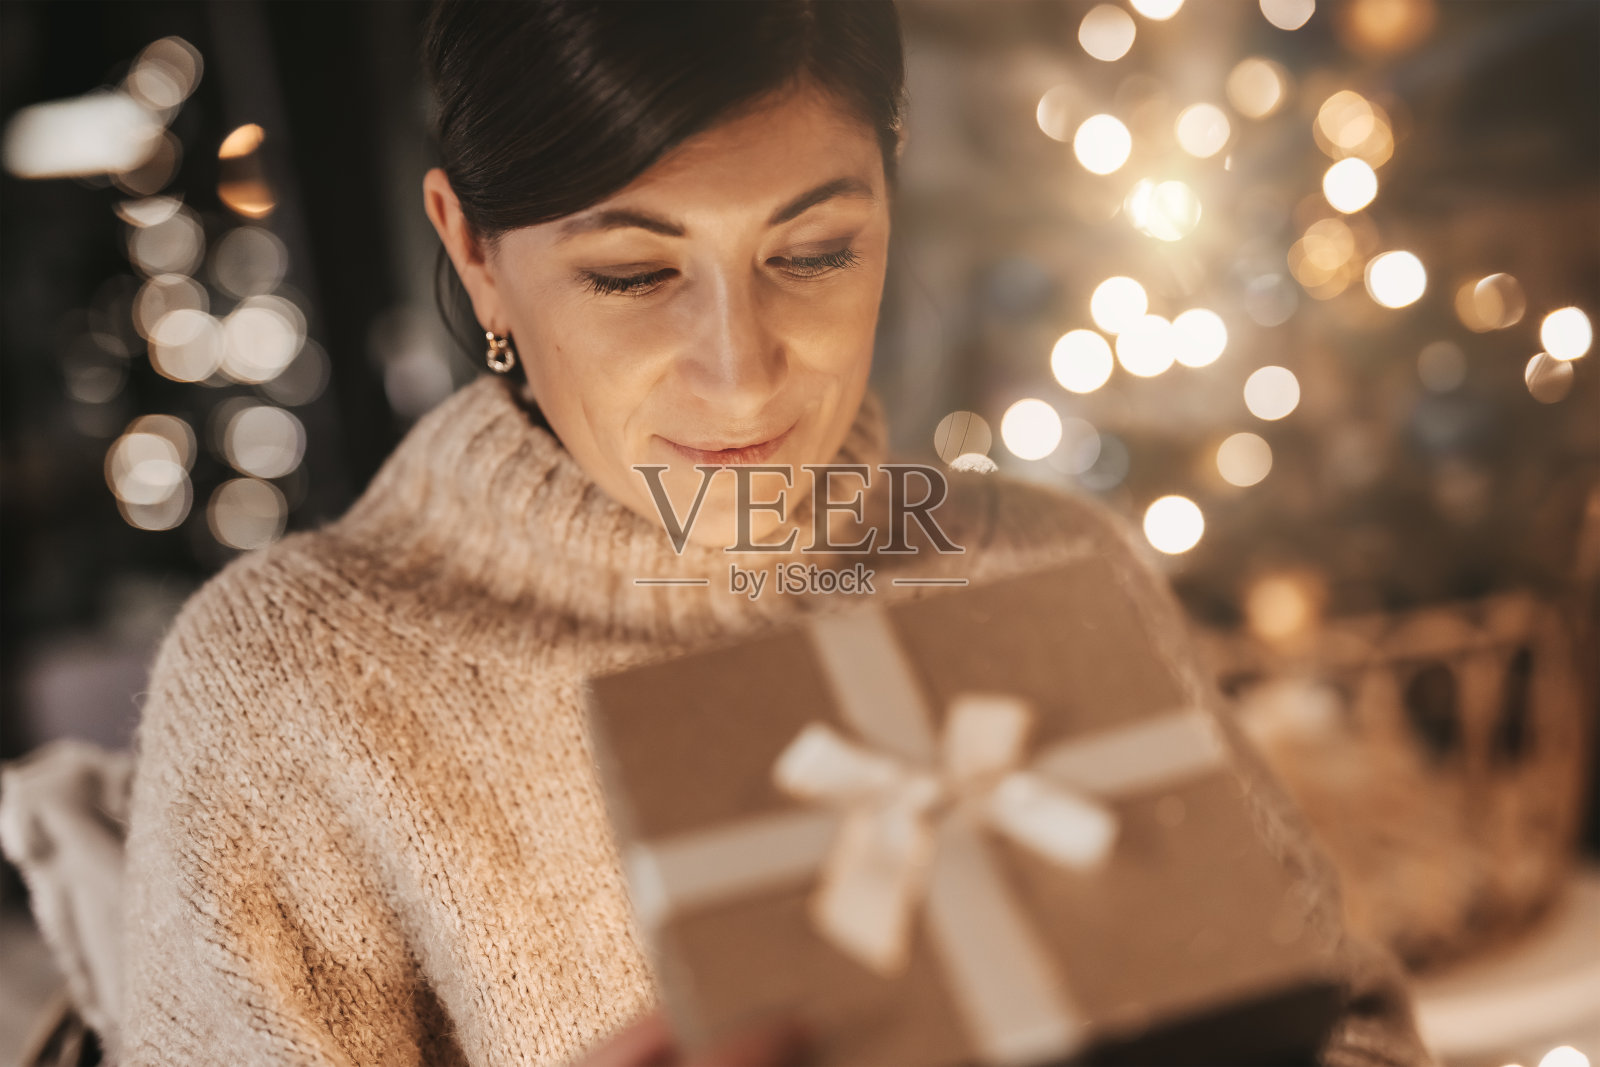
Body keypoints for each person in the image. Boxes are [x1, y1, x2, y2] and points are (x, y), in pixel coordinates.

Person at [116, 2, 1434, 1065]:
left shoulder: (1044, 571)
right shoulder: (294, 691)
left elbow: (1352, 1024)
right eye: (632, 274)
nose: (742, 376)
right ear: (473, 252)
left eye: (812, 253)